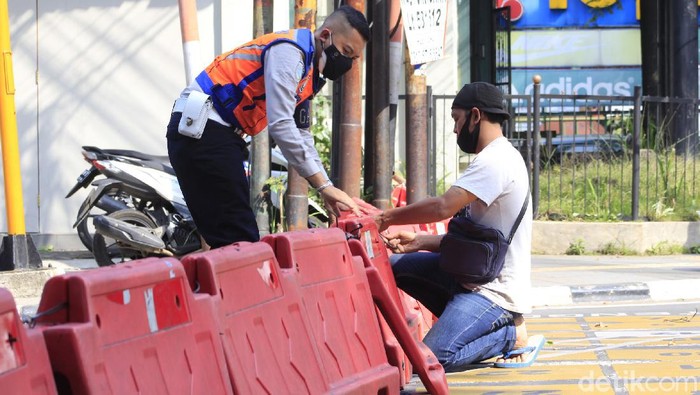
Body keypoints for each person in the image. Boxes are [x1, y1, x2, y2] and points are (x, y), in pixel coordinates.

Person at [374, 82, 544, 372]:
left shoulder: (496, 161)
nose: (455, 129)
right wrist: (418, 242)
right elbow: (475, 238)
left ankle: (509, 334)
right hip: (471, 275)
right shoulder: (496, 157)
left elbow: (442, 206)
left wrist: (386, 218)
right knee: (394, 268)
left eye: (456, 119)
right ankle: (466, 321)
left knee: (432, 359)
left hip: (492, 292)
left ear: (475, 116)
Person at [167, 6, 368, 249]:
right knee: (239, 241)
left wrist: (328, 188)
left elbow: (302, 137)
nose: (347, 62)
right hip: (203, 130)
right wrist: (324, 186)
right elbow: (281, 124)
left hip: (216, 135)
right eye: (346, 51)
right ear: (325, 35)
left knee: (230, 239)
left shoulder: (308, 73)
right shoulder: (290, 53)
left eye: (353, 57)